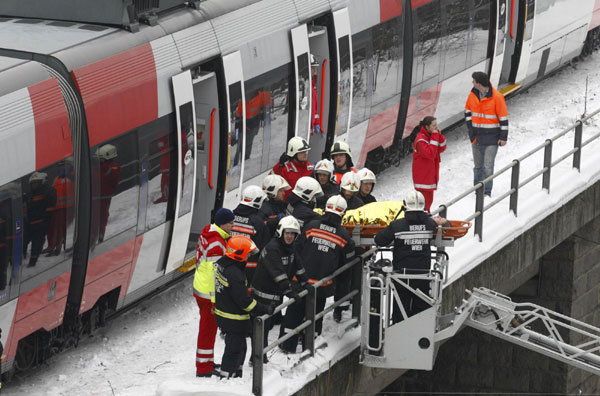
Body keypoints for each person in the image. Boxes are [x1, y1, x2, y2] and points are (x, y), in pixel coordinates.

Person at [280, 195, 355, 353]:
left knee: (294, 312)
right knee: (315, 315)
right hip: (321, 286)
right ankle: (309, 344)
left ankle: (286, 345)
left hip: (300, 281)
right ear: (343, 213)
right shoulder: (344, 236)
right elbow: (346, 267)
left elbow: (297, 250)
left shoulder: (311, 226)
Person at [373, 190, 437, 321]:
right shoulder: (430, 224)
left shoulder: (397, 226)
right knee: (421, 313)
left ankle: (398, 336)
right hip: (423, 276)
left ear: (405, 206)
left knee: (400, 312)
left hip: (401, 277)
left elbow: (379, 240)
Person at [251, 216, 307, 361]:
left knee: (267, 326)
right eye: (287, 233)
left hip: (274, 293)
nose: (289, 236)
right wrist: (289, 291)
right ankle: (257, 358)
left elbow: (298, 265)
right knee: (262, 326)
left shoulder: (290, 248)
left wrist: (305, 283)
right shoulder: (273, 248)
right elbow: (277, 272)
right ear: (281, 232)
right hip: (264, 294)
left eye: (292, 234)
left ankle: (259, 356)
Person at [215, 235, 272, 379]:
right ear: (239, 254)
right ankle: (227, 379)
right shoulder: (235, 274)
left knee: (239, 348)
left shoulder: (223, 265)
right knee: (235, 351)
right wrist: (265, 309)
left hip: (224, 316)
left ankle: (235, 375)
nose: (249, 257)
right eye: (247, 253)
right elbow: (246, 303)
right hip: (234, 320)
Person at [193, 208, 234, 378]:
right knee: (208, 329)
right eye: (230, 223)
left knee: (208, 328)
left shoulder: (209, 233)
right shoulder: (217, 243)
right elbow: (213, 274)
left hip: (201, 288)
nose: (233, 226)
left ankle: (207, 361)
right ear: (223, 224)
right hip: (208, 293)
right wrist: (215, 300)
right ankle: (203, 368)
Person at [465, 71, 508, 197]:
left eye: (473, 81)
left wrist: (503, 138)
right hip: (477, 137)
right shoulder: (472, 95)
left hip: (492, 138)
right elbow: (467, 112)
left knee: (488, 167)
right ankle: (477, 191)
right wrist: (471, 132)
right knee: (478, 166)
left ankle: (486, 192)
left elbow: (503, 118)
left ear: (478, 83)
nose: (472, 83)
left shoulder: (497, 97)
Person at [231, 185, 269, 282]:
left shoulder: (230, 217)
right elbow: (264, 247)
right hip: (249, 269)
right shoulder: (258, 223)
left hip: (229, 265)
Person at [412, 116, 447, 212]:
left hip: (429, 175)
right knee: (424, 204)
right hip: (423, 178)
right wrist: (435, 136)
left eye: (437, 125)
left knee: (428, 202)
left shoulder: (430, 136)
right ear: (427, 127)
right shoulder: (421, 140)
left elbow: (442, 148)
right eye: (434, 125)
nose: (436, 127)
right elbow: (430, 154)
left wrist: (439, 135)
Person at [24, 172, 57, 268]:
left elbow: (50, 207)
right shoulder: (30, 194)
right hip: (30, 223)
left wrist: (45, 220)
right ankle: (23, 256)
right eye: (32, 183)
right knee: (24, 241)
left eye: (36, 183)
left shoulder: (49, 191)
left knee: (36, 243)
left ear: (42, 182)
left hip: (41, 222)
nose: (34, 185)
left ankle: (32, 262)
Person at [45, 163, 75, 256]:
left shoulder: (72, 176)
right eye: (60, 167)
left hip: (68, 207)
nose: (62, 168)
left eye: (64, 166)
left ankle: (60, 246)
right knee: (57, 228)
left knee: (62, 228)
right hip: (58, 208)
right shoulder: (57, 178)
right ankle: (56, 247)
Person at [97, 144, 121, 243]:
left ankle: (100, 237)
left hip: (103, 196)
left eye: (101, 159)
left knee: (101, 217)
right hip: (98, 196)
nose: (99, 160)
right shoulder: (106, 167)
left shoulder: (111, 168)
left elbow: (107, 172)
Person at [310, 55, 322, 134]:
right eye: (312, 68)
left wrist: (317, 123)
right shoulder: (308, 87)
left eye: (315, 68)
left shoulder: (312, 87)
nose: (314, 71)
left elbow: (315, 110)